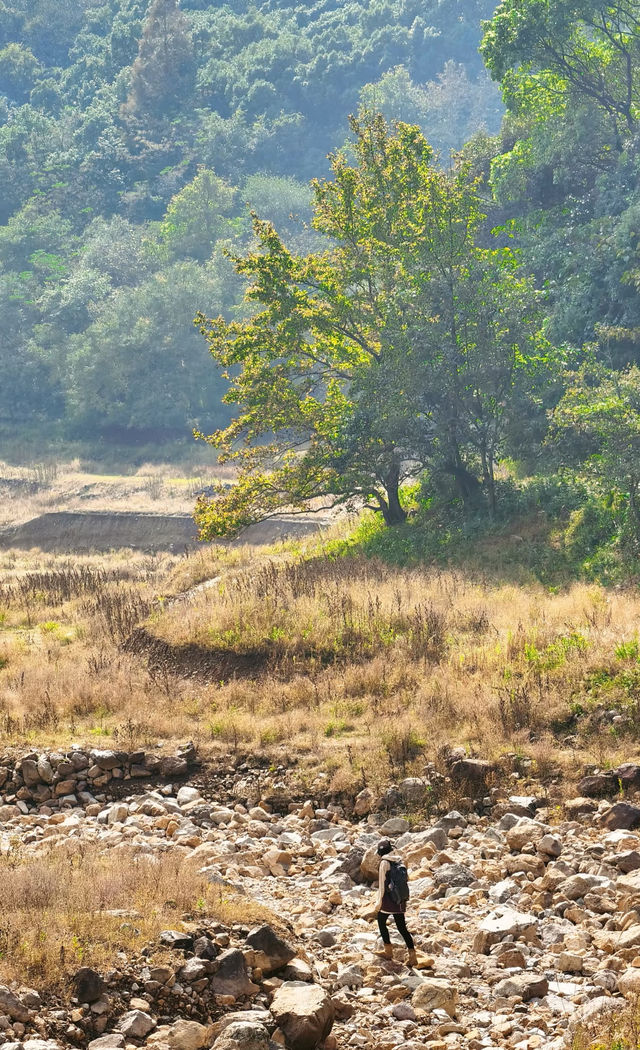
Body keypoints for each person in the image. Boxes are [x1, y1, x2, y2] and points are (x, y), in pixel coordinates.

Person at [373, 838, 417, 965]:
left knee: (381, 921)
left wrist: (378, 903)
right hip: (399, 900)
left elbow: (382, 885)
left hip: (388, 900)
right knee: (402, 928)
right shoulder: (399, 861)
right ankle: (412, 956)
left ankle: (388, 951)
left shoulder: (384, 863)